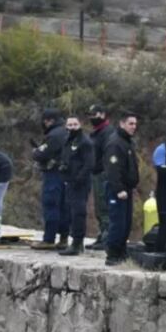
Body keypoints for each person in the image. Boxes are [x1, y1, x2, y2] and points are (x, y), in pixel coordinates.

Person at [31, 108, 70, 250]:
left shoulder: (54, 135)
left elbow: (41, 154)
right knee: (64, 207)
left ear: (49, 121)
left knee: (51, 204)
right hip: (66, 175)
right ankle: (64, 238)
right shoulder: (66, 132)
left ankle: (49, 239)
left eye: (44, 121)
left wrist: (36, 151)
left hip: (53, 174)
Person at [104, 111, 140, 266]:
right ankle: (112, 254)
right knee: (117, 222)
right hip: (117, 190)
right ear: (122, 124)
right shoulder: (115, 143)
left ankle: (121, 251)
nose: (134, 127)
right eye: (130, 123)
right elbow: (113, 168)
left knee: (126, 222)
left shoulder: (127, 142)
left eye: (135, 124)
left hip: (127, 189)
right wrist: (119, 189)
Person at [58, 116, 95, 256]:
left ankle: (77, 243)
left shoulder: (85, 142)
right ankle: (75, 242)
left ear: (80, 125)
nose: (72, 127)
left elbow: (89, 164)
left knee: (78, 212)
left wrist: (78, 179)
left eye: (75, 124)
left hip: (80, 183)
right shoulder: (68, 140)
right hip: (70, 181)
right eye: (70, 124)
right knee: (72, 212)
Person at [88, 104, 116, 251]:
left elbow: (109, 154)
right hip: (96, 172)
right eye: (91, 115)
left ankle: (107, 237)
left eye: (96, 114)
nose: (93, 117)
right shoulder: (96, 133)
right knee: (99, 207)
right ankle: (102, 234)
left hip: (104, 173)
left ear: (103, 114)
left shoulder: (108, 132)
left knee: (105, 206)